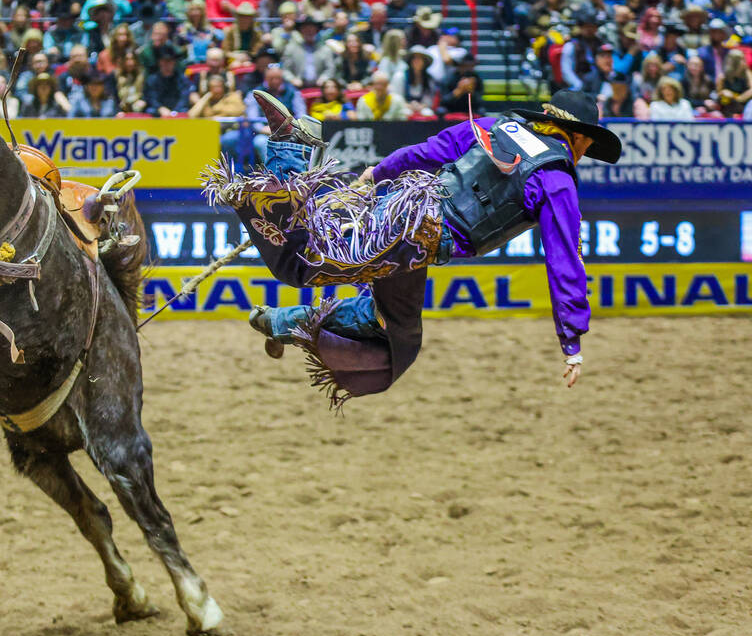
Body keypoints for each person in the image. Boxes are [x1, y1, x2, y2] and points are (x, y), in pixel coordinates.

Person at [202, 88, 622, 405]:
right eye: (588, 143)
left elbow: (431, 150)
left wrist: (378, 172)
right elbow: (565, 260)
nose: (587, 152)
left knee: (397, 330)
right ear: (579, 137)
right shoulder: (556, 179)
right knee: (298, 265)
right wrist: (571, 340)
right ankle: (292, 146)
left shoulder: (500, 127)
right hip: (416, 236)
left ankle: (287, 323)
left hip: (407, 211)